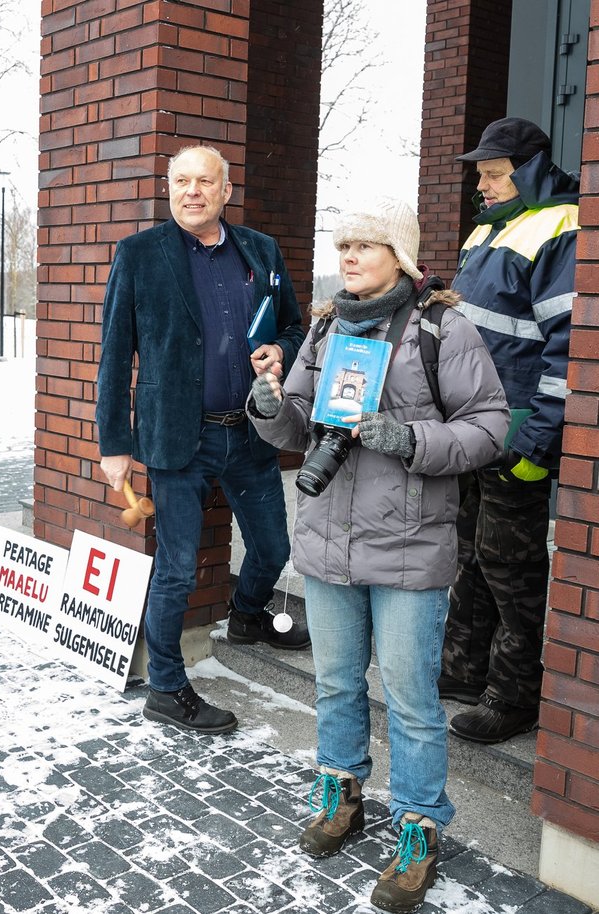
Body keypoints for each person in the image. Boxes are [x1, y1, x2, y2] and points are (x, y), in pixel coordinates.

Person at [247, 197, 509, 912]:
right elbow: (295, 423)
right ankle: (341, 797)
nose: (349, 257)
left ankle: (419, 829)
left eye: (365, 244)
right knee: (334, 684)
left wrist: (410, 439)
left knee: (411, 701)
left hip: (408, 550)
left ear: (400, 254)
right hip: (330, 542)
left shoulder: (441, 329)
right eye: (343, 247)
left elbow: (491, 427)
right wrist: (270, 405)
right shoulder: (326, 327)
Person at [96, 144, 308, 735]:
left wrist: (283, 351)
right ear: (169, 189)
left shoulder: (260, 251)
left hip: (249, 433)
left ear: (225, 190)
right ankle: (165, 686)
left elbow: (294, 324)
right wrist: (114, 444)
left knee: (272, 549)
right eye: (182, 181)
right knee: (177, 569)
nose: (193, 191)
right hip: (175, 440)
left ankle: (246, 616)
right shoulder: (139, 254)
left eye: (205, 182)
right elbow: (115, 355)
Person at [439, 117, 579, 744]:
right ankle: (464, 672)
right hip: (474, 426)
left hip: (517, 431)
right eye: (480, 174)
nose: (484, 184)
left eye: (493, 173)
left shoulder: (560, 225)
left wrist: (536, 442)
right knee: (468, 552)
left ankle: (514, 693)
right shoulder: (488, 231)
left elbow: (569, 347)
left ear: (528, 170)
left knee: (511, 565)